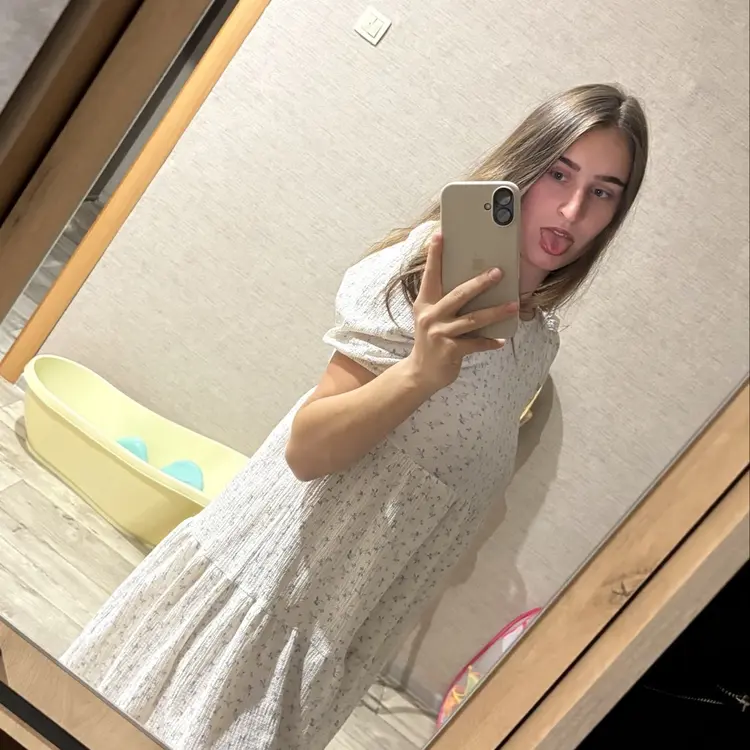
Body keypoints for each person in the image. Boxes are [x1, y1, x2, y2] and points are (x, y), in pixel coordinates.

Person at [60, 83, 649, 750]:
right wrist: (420, 373)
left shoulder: (536, 343)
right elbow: (307, 449)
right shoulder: (418, 275)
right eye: (559, 174)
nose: (573, 210)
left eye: (603, 191)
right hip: (270, 593)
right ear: (522, 170)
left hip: (339, 635)